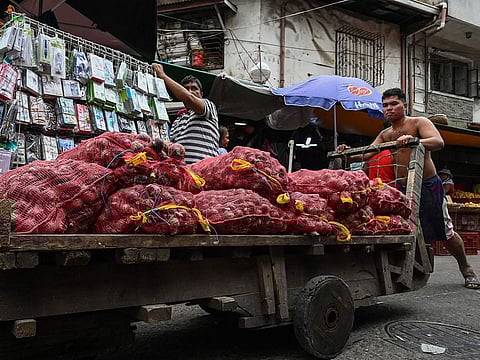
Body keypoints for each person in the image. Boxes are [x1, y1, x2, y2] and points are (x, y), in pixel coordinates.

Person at [337, 87, 479, 289]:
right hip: (403, 187)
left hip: (428, 184)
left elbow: (438, 141)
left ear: (405, 105)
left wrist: (414, 141)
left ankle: (467, 270)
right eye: (385, 105)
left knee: (445, 231)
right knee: (406, 228)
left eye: (394, 104)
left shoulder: (418, 122)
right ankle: (409, 271)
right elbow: (366, 155)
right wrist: (346, 152)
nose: (389, 108)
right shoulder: (386, 134)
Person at [151, 63, 219, 164]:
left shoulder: (208, 106)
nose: (190, 91)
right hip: (184, 175)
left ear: (201, 94)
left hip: (203, 173)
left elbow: (189, 98)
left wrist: (162, 75)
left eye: (194, 88)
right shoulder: (177, 121)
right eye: (186, 89)